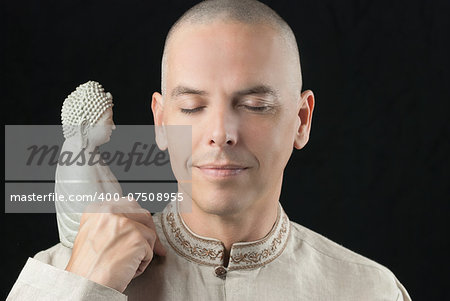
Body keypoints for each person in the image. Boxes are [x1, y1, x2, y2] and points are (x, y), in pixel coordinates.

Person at [7, 0, 411, 300]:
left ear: (301, 121)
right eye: (192, 107)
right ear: (161, 122)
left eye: (254, 106)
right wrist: (84, 287)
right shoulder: (61, 276)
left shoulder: (370, 291)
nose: (220, 133)